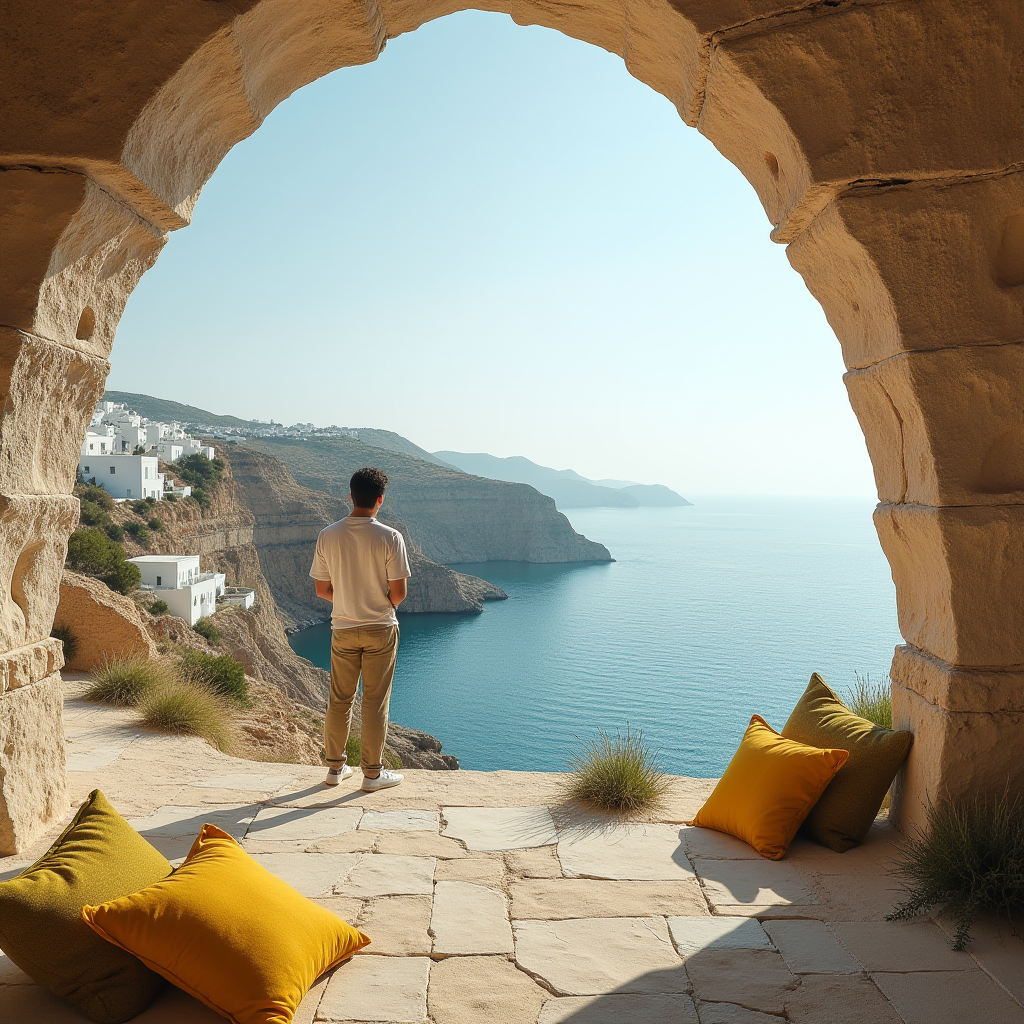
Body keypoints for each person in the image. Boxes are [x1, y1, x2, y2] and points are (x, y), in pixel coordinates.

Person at [309, 466, 410, 791]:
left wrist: (349, 599)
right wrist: (375, 600)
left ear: (350, 496)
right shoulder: (390, 537)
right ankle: (372, 774)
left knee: (339, 699)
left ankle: (335, 770)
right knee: (374, 702)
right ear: (380, 499)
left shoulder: (328, 534)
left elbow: (322, 590)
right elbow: (398, 594)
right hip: (381, 628)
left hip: (343, 628)